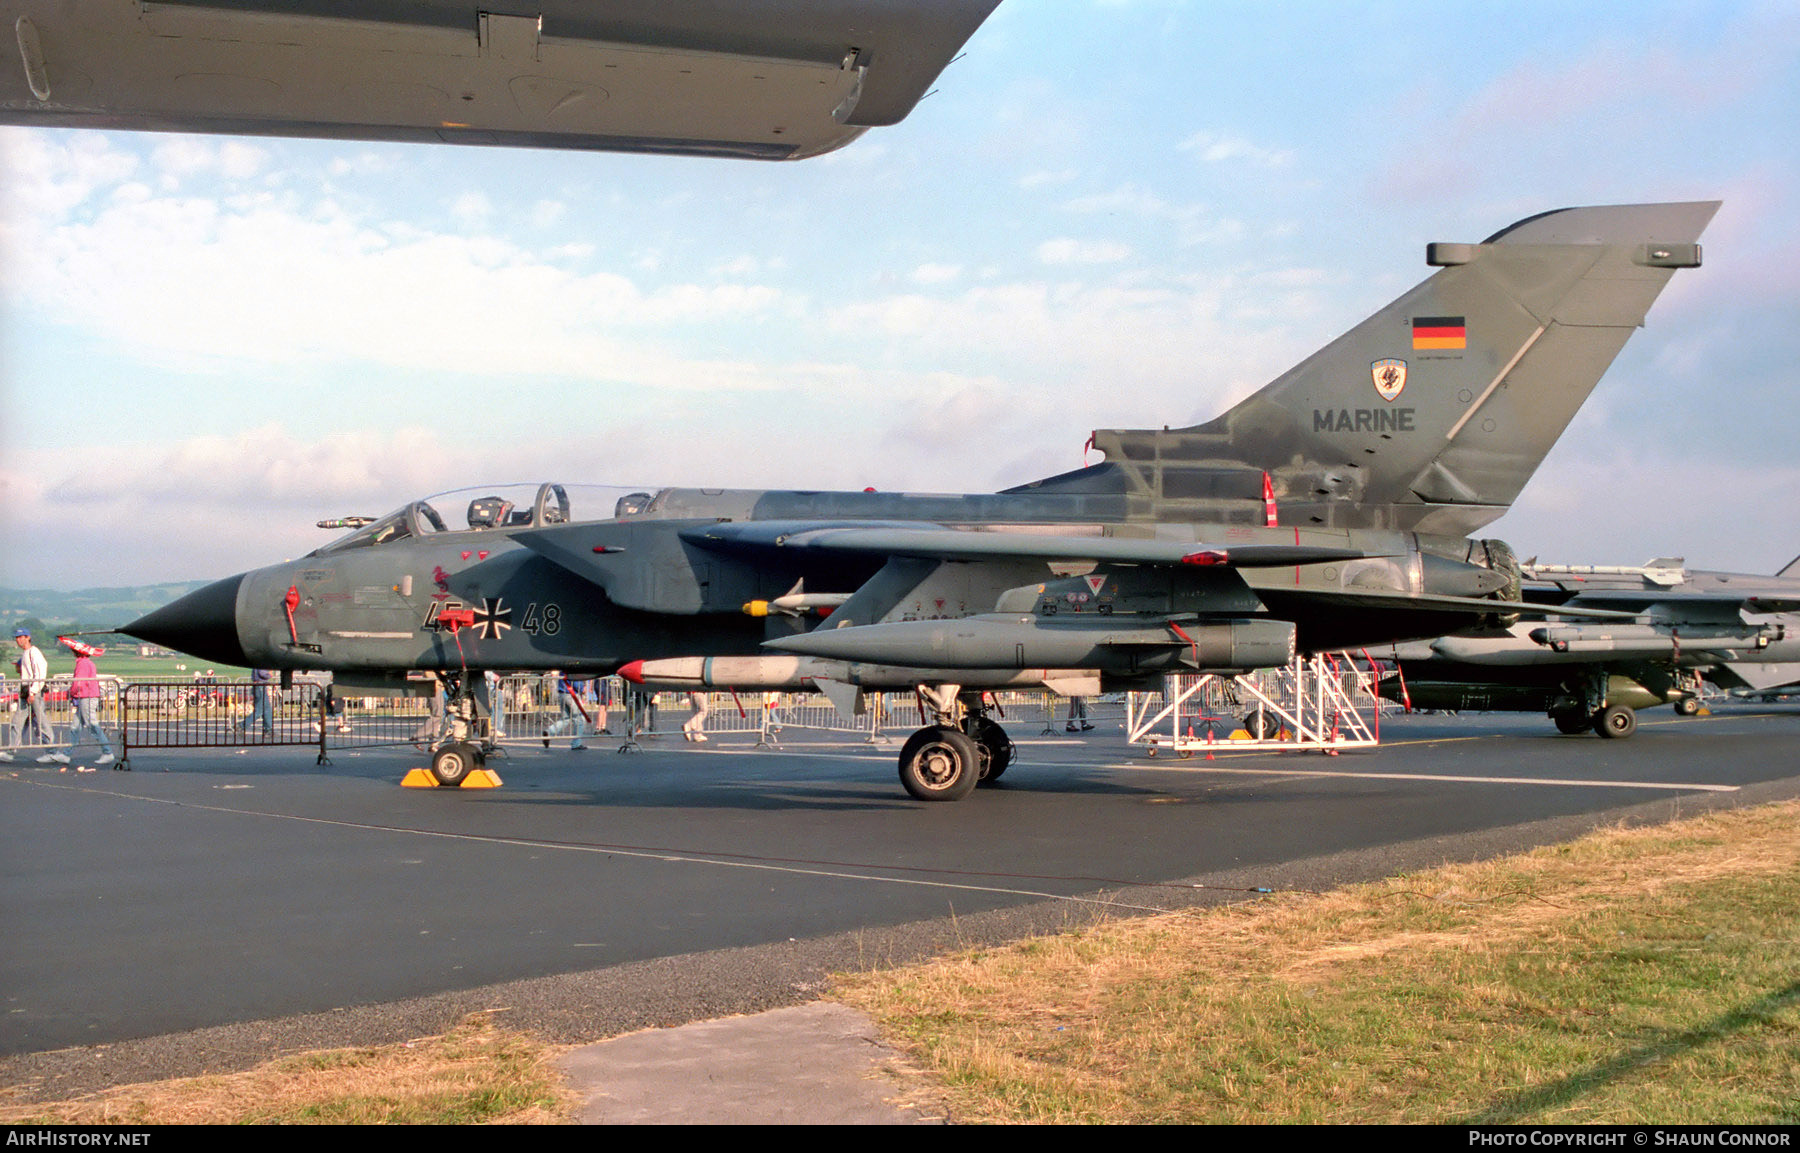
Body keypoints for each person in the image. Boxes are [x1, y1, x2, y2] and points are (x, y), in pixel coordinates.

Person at [2, 628, 55, 763]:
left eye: (21, 637)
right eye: (17, 638)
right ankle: (11, 751)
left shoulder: (34, 652)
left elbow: (40, 673)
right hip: (27, 692)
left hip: (33, 692)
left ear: (28, 637)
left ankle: (52, 751)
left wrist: (33, 691)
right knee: (18, 722)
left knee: (41, 722)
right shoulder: (26, 653)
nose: (18, 640)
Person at [59, 638, 114, 767]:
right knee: (75, 726)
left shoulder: (82, 664)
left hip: (86, 696)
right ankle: (67, 754)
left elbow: (79, 682)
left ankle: (107, 752)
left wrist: (71, 693)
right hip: (87, 696)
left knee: (91, 724)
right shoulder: (87, 662)